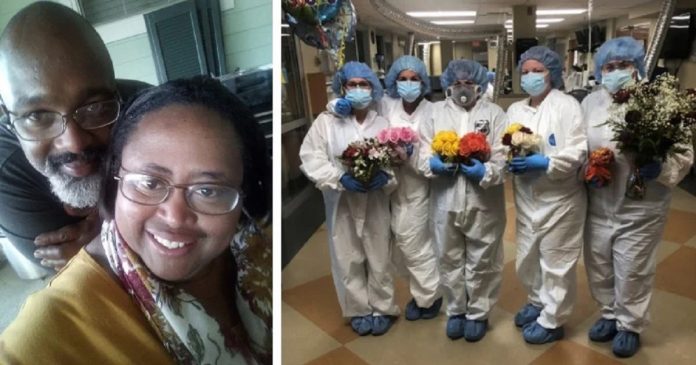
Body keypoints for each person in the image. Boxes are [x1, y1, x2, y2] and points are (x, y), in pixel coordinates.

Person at [0, 76, 272, 364]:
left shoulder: (262, 246)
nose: (175, 216)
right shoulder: (44, 339)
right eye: (149, 183)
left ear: (244, 193)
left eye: (207, 190)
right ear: (114, 179)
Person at [0, 2, 150, 272]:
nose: (74, 142)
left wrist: (105, 243)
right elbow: (77, 278)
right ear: (7, 114)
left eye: (94, 108)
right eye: (38, 115)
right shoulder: (6, 172)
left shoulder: (148, 113)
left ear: (115, 91)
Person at [582, 36, 694, 358]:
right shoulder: (591, 103)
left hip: (641, 207)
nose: (615, 71)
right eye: (609, 66)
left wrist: (659, 168)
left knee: (633, 269)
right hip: (599, 201)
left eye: (623, 65)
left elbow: (684, 153)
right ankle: (608, 313)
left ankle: (629, 325)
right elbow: (580, 145)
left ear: (638, 68)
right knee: (599, 264)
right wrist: (588, 166)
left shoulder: (659, 101)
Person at [332, 56, 442, 321]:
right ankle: (418, 292)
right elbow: (361, 110)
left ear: (423, 82)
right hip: (382, 190)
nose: (408, 84)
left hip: (416, 188)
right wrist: (336, 104)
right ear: (393, 81)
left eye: (414, 79)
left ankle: (430, 297)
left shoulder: (434, 111)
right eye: (402, 79)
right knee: (389, 249)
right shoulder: (386, 105)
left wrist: (409, 158)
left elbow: (433, 157)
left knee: (412, 242)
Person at [300, 61, 400, 336]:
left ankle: (383, 307)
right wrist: (338, 178)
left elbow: (393, 158)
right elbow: (311, 156)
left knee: (379, 254)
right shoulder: (327, 121)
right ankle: (358, 309)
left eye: (363, 84)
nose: (358, 89)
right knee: (347, 255)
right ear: (342, 88)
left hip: (376, 199)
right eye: (352, 85)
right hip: (341, 201)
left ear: (373, 88)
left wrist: (386, 177)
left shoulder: (381, 122)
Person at [418, 59, 508, 342]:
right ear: (448, 85)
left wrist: (488, 171)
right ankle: (456, 310)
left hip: (484, 199)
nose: (463, 88)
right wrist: (432, 165)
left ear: (479, 84)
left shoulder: (494, 113)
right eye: (456, 83)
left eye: (468, 82)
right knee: (448, 256)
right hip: (445, 198)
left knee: (483, 258)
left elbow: (504, 153)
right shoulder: (434, 113)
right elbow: (421, 150)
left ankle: (478, 312)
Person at [506, 46, 588, 344]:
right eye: (525, 72)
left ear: (551, 73)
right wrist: (509, 161)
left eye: (537, 70)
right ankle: (537, 301)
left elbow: (579, 149)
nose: (530, 76)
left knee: (557, 261)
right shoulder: (515, 110)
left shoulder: (567, 106)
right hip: (527, 198)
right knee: (528, 257)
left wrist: (548, 163)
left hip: (561, 199)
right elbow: (506, 145)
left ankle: (554, 319)